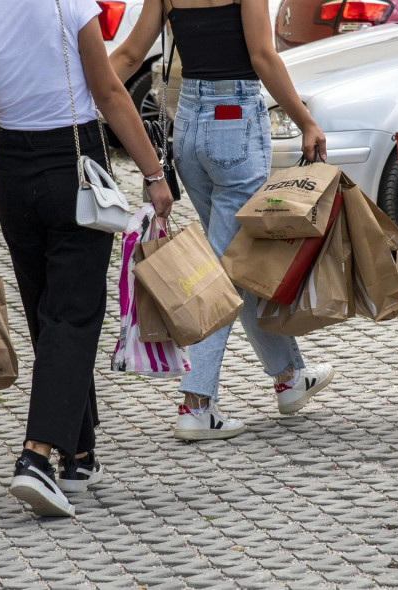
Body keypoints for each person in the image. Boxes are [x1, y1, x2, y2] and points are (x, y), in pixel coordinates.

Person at [0, 0, 173, 517]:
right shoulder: (70, 3)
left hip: (13, 173)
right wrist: (153, 175)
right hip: (74, 166)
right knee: (73, 314)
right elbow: (108, 90)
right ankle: (37, 456)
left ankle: (79, 455)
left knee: (49, 312)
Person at [111, 0, 335, 441]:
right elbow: (262, 56)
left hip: (189, 125)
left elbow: (130, 56)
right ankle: (197, 403)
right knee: (223, 270)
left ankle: (289, 376)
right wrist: (305, 120)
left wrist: (79, 99)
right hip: (235, 123)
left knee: (235, 257)